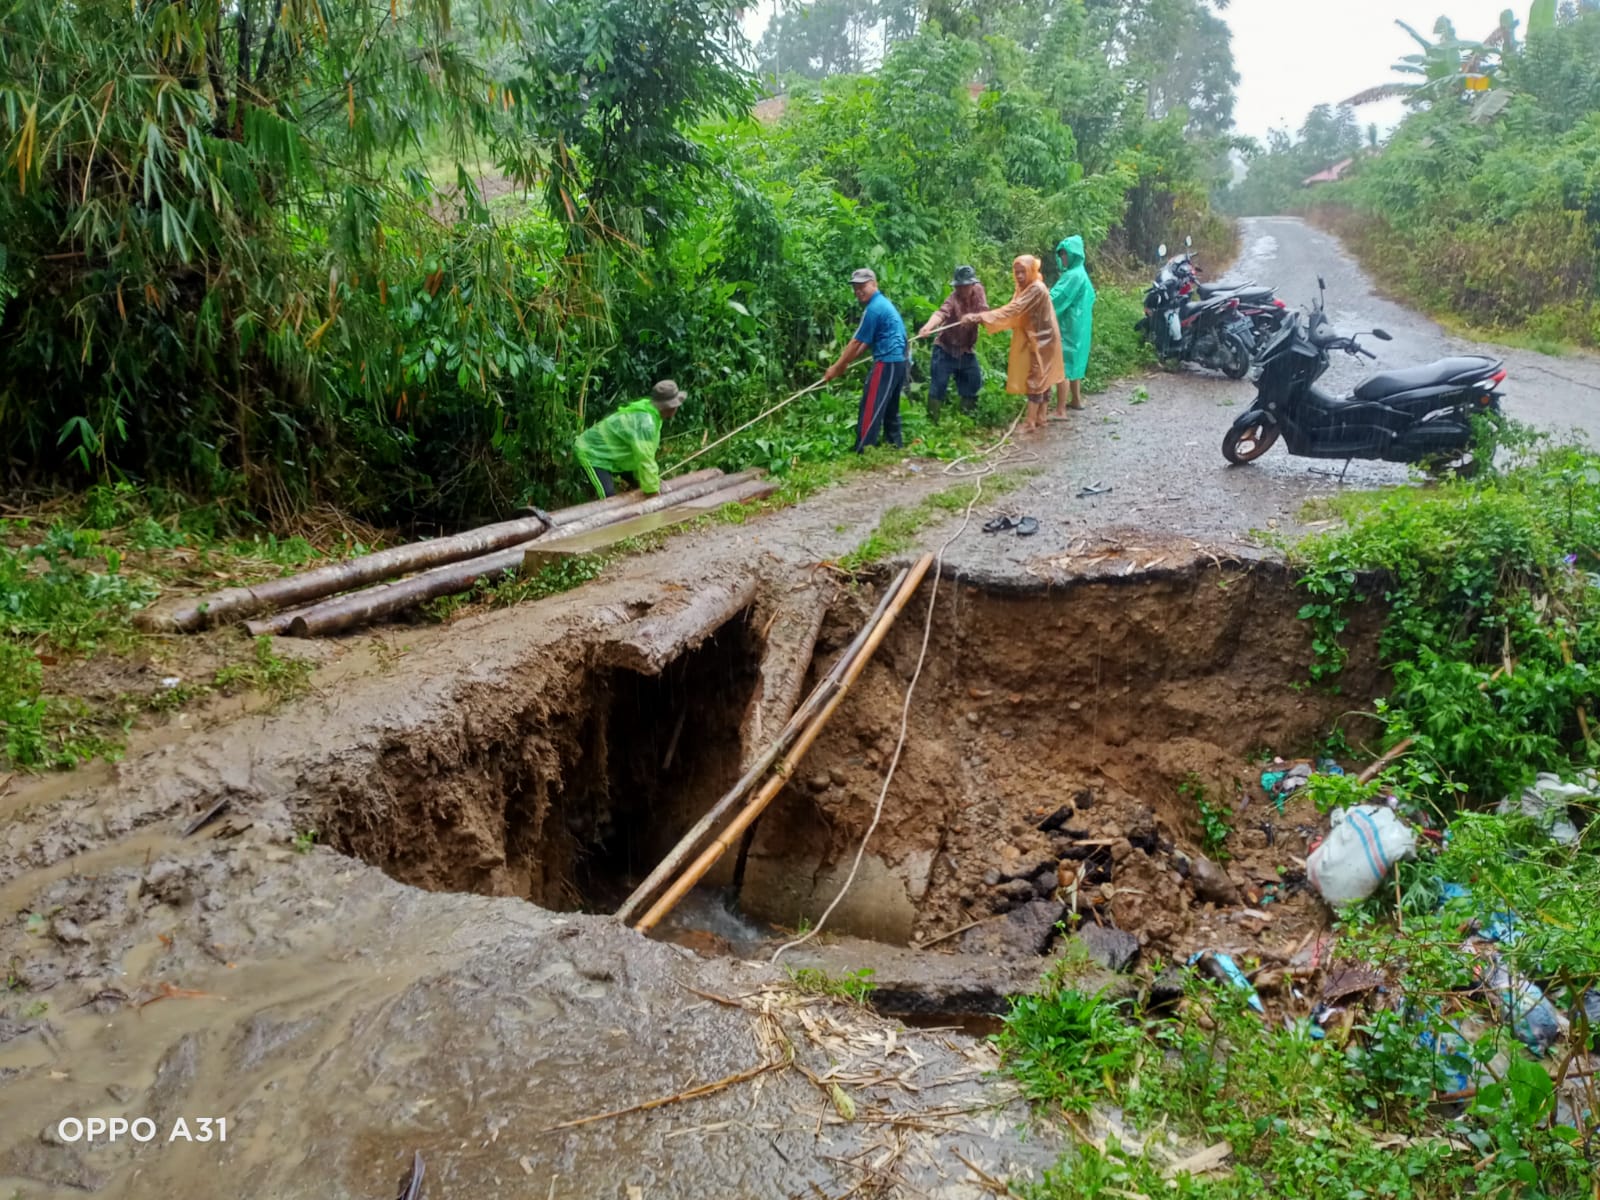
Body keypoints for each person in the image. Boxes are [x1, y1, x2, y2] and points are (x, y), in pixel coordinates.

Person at [961, 255, 1065, 434]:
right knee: (1041, 374)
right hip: (1037, 336)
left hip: (1044, 338)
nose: (1019, 276)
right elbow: (1013, 307)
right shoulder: (1024, 288)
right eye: (1016, 272)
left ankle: (1031, 421)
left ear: (1031, 271)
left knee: (1038, 376)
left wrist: (979, 317)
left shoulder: (1036, 289)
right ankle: (1041, 417)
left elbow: (1014, 309)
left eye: (1023, 272)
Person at [822, 268, 909, 453]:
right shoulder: (882, 304)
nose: (858, 291)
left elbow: (855, 342)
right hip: (898, 361)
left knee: (871, 405)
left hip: (887, 361)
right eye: (855, 288)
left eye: (862, 286)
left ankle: (863, 449)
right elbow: (864, 344)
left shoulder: (874, 309)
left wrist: (837, 367)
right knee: (890, 407)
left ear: (874, 284)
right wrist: (844, 364)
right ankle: (895, 445)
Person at [572, 380, 684, 499]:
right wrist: (654, 494)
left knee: (642, 485)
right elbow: (645, 459)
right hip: (592, 453)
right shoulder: (645, 423)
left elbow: (641, 455)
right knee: (608, 498)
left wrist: (651, 484)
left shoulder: (652, 413)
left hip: (618, 456)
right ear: (670, 406)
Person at [916, 265, 988, 421]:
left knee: (973, 382)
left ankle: (965, 421)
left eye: (966, 286)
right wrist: (928, 327)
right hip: (945, 349)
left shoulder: (979, 292)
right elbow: (941, 313)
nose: (962, 290)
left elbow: (985, 314)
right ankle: (933, 423)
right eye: (959, 286)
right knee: (938, 386)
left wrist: (974, 317)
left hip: (966, 350)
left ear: (972, 284)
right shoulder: (952, 299)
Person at [1050, 234, 1096, 416]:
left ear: (1074, 254)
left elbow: (1056, 298)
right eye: (1061, 255)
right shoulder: (1081, 273)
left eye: (1065, 254)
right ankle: (1076, 400)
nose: (1062, 258)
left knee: (1064, 367)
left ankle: (1060, 410)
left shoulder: (1072, 276)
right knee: (1075, 363)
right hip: (1080, 326)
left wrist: (1040, 300)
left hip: (1070, 326)